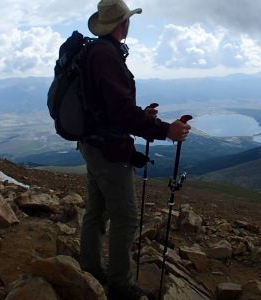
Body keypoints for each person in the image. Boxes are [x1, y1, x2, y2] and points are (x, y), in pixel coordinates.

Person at [79, 0, 191, 299]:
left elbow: (110, 108)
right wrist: (166, 130)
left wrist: (141, 116)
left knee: (96, 211)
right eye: (127, 20)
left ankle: (89, 270)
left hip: (92, 143)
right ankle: (120, 285)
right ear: (123, 23)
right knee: (125, 218)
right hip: (108, 150)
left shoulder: (94, 51)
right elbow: (120, 111)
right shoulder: (106, 54)